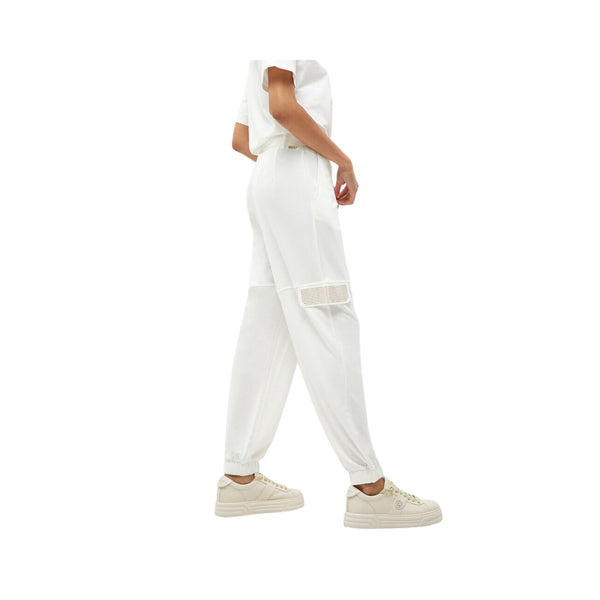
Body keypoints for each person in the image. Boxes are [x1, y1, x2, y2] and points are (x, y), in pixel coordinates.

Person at [215, 60, 442, 528]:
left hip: (269, 181)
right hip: (297, 177)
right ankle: (368, 485)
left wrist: (278, 171)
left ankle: (239, 475)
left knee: (269, 325)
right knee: (329, 319)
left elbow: (242, 137)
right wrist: (341, 161)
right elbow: (283, 107)